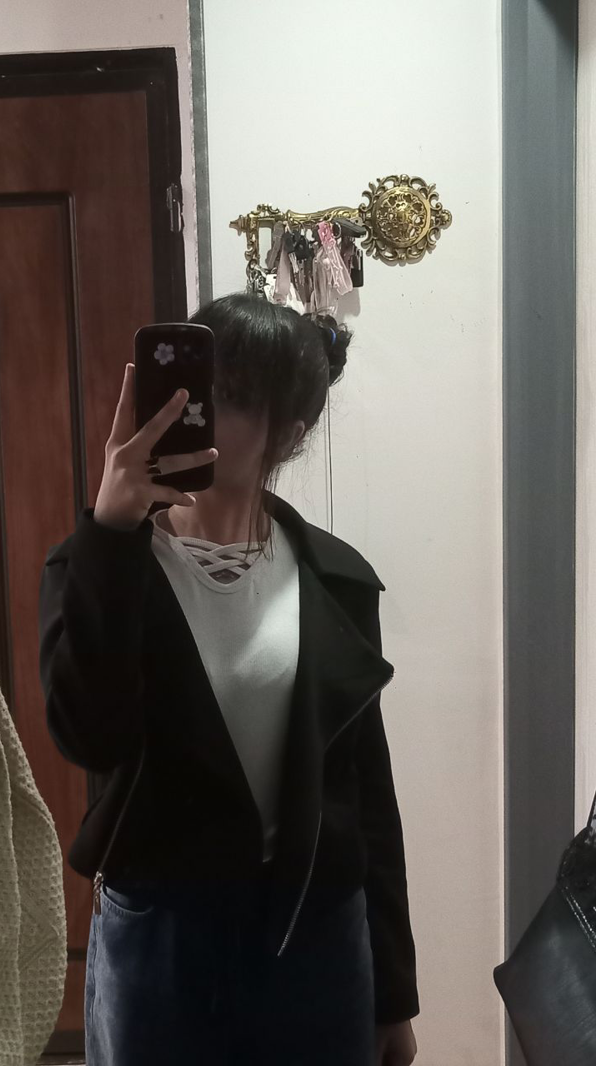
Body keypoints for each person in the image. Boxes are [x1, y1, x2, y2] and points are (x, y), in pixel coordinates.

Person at [39, 293, 419, 1066]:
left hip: (316, 940)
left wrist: (393, 991)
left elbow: (367, 794)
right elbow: (90, 736)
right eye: (194, 389)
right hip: (162, 942)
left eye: (236, 397)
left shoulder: (337, 582)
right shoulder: (98, 565)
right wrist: (112, 530)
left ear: (289, 433)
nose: (202, 412)